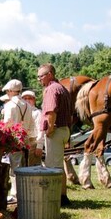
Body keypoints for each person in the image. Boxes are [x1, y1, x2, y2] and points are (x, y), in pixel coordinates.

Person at [37, 63, 73, 206]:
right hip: (64, 130)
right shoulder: (62, 88)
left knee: (53, 167)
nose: (39, 80)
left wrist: (50, 129)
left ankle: (55, 198)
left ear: (50, 74)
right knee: (58, 165)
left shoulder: (51, 90)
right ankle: (63, 197)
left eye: (41, 76)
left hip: (56, 131)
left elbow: (51, 111)